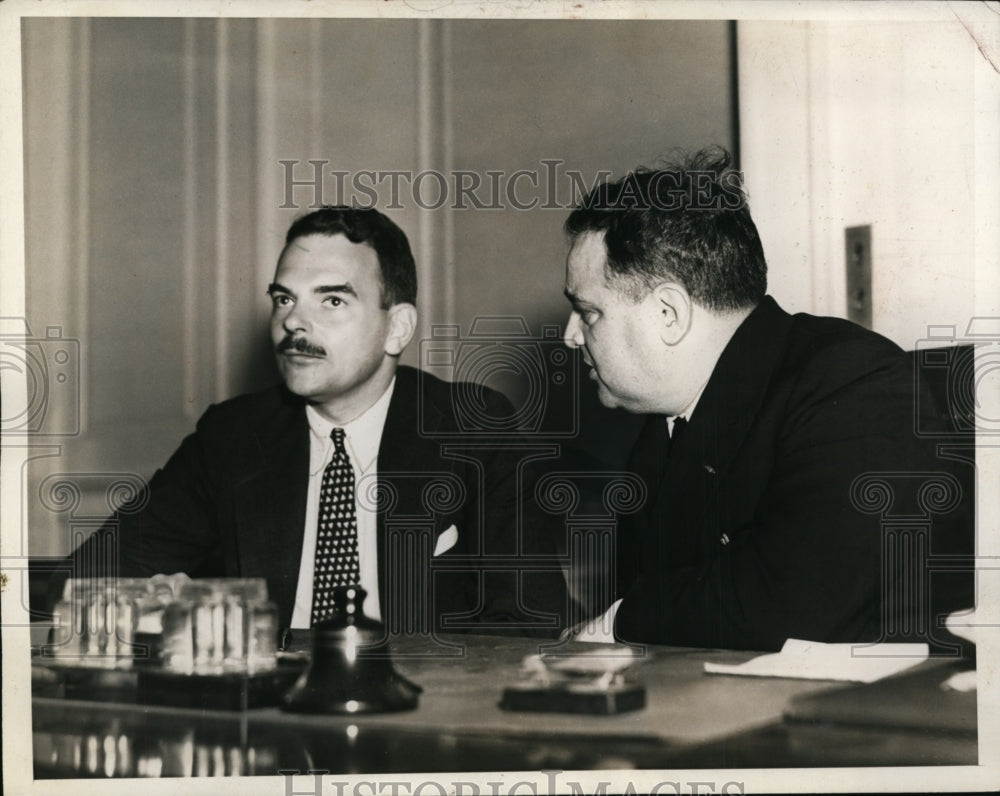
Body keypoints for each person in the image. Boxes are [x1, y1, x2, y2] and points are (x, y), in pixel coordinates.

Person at [53, 206, 567, 638]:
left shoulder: (474, 430)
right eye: (284, 299)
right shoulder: (232, 436)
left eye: (333, 300)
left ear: (397, 328)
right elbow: (91, 579)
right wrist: (164, 608)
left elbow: (526, 623)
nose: (294, 322)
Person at [561, 147, 973, 652]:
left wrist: (618, 620)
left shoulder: (855, 383)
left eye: (587, 312)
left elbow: (795, 606)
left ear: (669, 314)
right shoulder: (663, 430)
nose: (570, 335)